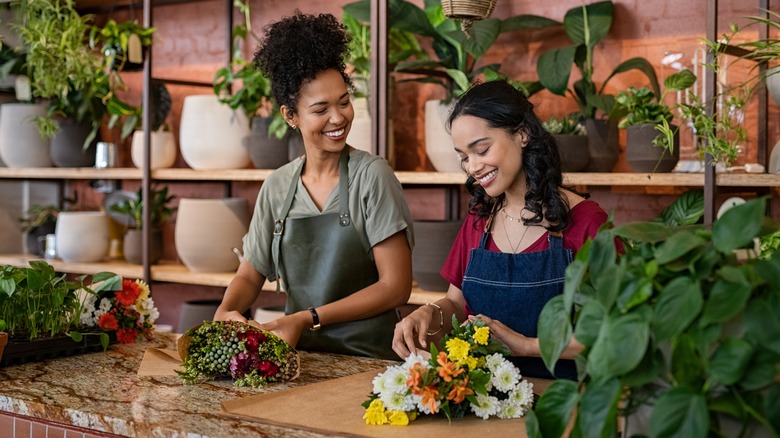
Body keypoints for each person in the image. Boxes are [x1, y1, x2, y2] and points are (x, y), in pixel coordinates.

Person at [214, 11, 414, 361]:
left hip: (369, 360)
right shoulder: (277, 187)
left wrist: (306, 318)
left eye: (344, 102)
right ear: (290, 116)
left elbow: (395, 287)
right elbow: (250, 275)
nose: (338, 118)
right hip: (302, 359)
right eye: (320, 109)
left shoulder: (372, 176)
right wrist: (225, 314)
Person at [392, 80, 608, 379]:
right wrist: (430, 313)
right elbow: (456, 302)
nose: (473, 167)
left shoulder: (587, 222)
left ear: (522, 134)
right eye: (464, 157)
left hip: (561, 400)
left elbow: (614, 333)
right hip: (483, 396)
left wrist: (528, 345)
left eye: (481, 150)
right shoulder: (480, 220)